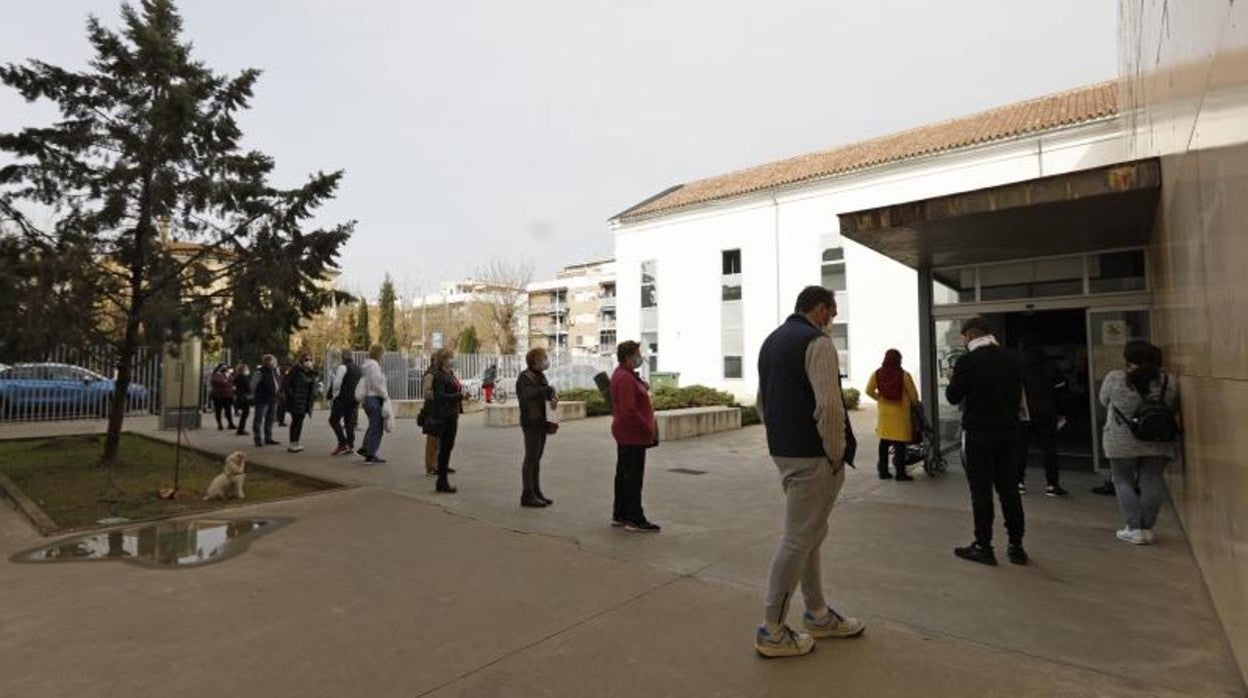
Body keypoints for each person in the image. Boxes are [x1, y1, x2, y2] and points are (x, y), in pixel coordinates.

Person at [753, 286, 864, 659]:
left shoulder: (771, 342)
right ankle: (773, 629)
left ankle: (817, 613)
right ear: (820, 310)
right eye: (831, 314)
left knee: (810, 534)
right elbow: (829, 407)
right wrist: (835, 453)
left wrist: (780, 439)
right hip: (814, 457)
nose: (831, 322)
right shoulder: (817, 343)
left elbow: (761, 403)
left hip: (785, 451)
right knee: (798, 540)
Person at [946, 316, 1028, 566]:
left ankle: (983, 545)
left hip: (979, 433)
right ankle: (1016, 546)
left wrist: (953, 377)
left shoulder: (967, 362)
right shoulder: (1013, 358)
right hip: (1010, 432)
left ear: (969, 335)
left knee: (981, 492)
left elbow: (952, 397)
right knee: (1009, 490)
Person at [1100, 341, 1179, 545]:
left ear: (1128, 359)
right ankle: (1147, 528)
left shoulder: (1116, 378)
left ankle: (1133, 527)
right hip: (1158, 439)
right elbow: (1174, 406)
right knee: (1153, 479)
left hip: (1121, 439)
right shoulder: (1168, 381)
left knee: (1122, 480)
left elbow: (1103, 400)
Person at [610, 341, 660, 533]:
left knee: (624, 475)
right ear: (629, 356)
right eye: (637, 353)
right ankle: (634, 518)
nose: (640, 357)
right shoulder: (624, 378)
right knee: (632, 478)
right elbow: (629, 410)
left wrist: (642, 386)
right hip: (632, 435)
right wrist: (646, 426)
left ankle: (621, 513)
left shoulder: (626, 375)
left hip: (628, 434)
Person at [1017, 346, 1068, 497]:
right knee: (1049, 449)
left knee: (1020, 449)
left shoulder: (1017, 366)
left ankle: (1018, 482)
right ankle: (1052, 484)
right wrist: (1062, 412)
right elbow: (1060, 392)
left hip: (1023, 413)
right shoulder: (1050, 366)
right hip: (1047, 412)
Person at [865, 349, 918, 481]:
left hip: (885, 414)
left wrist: (879, 399)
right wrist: (913, 404)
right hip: (900, 414)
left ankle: (883, 472)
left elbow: (868, 390)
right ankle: (900, 473)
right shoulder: (904, 375)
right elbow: (914, 396)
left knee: (883, 443)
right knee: (900, 446)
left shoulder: (876, 374)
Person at [516, 348, 556, 507]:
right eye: (543, 358)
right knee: (531, 458)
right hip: (531, 422)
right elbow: (527, 395)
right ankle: (527, 494)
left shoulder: (541, 376)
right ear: (534, 361)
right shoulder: (524, 377)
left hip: (541, 421)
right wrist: (545, 390)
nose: (546, 361)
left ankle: (536, 491)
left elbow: (548, 393)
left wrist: (553, 396)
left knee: (537, 459)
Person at [430, 348, 464, 492]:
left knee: (448, 447)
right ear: (444, 359)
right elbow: (439, 396)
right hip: (445, 416)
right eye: (451, 357)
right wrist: (457, 396)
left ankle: (443, 479)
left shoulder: (449, 374)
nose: (453, 360)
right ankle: (442, 481)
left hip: (452, 414)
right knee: (444, 448)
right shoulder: (439, 375)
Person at [354, 344, 390, 464]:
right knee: (377, 428)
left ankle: (366, 448)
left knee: (372, 425)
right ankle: (370, 454)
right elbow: (377, 383)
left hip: (367, 400)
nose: (383, 356)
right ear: (379, 353)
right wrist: (384, 394)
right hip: (374, 399)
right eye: (383, 353)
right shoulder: (374, 366)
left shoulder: (366, 366)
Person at [327, 353, 362, 456]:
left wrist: (333, 394)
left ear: (343, 358)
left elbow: (337, 383)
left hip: (342, 398)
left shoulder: (343, 367)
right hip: (353, 399)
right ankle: (350, 445)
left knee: (333, 420)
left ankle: (342, 443)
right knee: (349, 421)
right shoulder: (358, 369)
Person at [285, 353, 316, 453]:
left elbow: (312, 384)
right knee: (296, 422)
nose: (308, 361)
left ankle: (296, 442)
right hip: (297, 401)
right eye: (306, 359)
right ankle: (292, 443)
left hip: (304, 401)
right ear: (302, 360)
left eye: (310, 359)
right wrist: (292, 396)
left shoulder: (308, 372)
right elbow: (287, 384)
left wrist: (311, 371)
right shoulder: (295, 370)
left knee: (299, 422)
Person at [250, 355, 282, 447]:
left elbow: (277, 382)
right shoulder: (260, 372)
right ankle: (258, 439)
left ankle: (268, 437)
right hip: (262, 399)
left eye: (273, 361)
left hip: (273, 398)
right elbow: (253, 385)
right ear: (265, 362)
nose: (272, 363)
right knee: (259, 419)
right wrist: (257, 394)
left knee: (270, 419)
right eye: (270, 361)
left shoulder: (275, 371)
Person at [420, 363, 439, 476]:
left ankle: (438, 464)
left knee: (439, 440)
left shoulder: (441, 374)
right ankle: (431, 466)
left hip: (440, 410)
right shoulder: (430, 375)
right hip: (432, 410)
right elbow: (426, 393)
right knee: (432, 439)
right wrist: (440, 394)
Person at [209, 364, 236, 431]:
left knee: (228, 410)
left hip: (227, 396)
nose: (226, 369)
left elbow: (233, 381)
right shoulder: (216, 375)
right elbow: (222, 382)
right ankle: (220, 424)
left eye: (226, 368)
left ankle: (230, 424)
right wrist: (229, 384)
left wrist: (228, 382)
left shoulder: (228, 374)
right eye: (223, 368)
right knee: (218, 411)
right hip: (218, 396)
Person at [232, 362, 253, 436]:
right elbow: (249, 388)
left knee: (244, 414)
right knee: (245, 414)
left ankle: (241, 429)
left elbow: (234, 386)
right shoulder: (244, 378)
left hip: (239, 396)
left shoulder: (237, 377)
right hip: (245, 397)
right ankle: (241, 429)